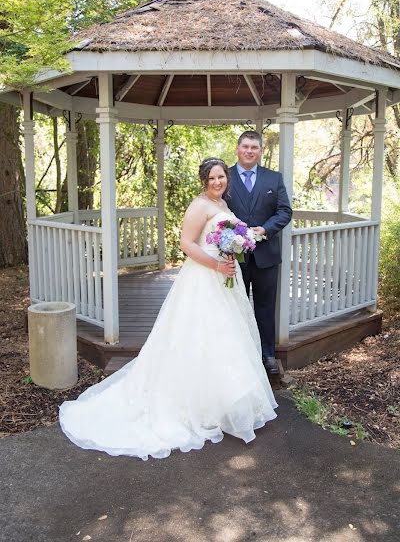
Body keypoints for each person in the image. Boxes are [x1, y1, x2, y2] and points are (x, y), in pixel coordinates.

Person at [59, 158, 278, 460]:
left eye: (221, 177)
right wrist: (216, 264)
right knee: (200, 337)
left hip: (226, 277)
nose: (218, 182)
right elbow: (186, 243)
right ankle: (194, 405)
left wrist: (240, 243)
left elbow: (227, 238)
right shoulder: (199, 205)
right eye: (213, 178)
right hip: (205, 277)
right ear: (204, 180)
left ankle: (223, 403)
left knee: (225, 339)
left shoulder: (224, 204)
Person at [226, 131, 293, 375]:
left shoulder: (273, 179)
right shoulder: (225, 177)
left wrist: (265, 229)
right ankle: (239, 355)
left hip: (266, 257)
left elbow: (285, 211)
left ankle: (268, 355)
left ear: (260, 151)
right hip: (234, 258)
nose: (249, 151)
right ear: (237, 149)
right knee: (236, 307)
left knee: (265, 308)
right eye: (245, 146)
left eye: (254, 147)